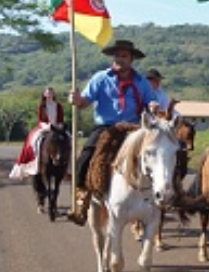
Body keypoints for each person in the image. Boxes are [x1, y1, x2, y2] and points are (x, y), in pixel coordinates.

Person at [66, 39, 156, 225]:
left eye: (124, 56)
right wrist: (77, 100)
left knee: (158, 155)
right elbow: (85, 102)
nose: (119, 59)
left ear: (131, 59)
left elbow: (151, 102)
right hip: (107, 127)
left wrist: (154, 106)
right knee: (86, 156)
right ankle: (82, 198)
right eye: (117, 55)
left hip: (134, 128)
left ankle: (160, 196)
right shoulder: (101, 78)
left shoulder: (142, 82)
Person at [9, 87, 65, 180]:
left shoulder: (58, 106)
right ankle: (33, 163)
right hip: (44, 126)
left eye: (51, 93)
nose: (50, 94)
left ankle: (68, 167)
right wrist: (47, 126)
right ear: (44, 94)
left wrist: (59, 125)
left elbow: (61, 118)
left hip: (57, 127)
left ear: (54, 94)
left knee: (68, 138)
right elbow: (40, 119)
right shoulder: (42, 106)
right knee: (33, 139)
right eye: (48, 93)